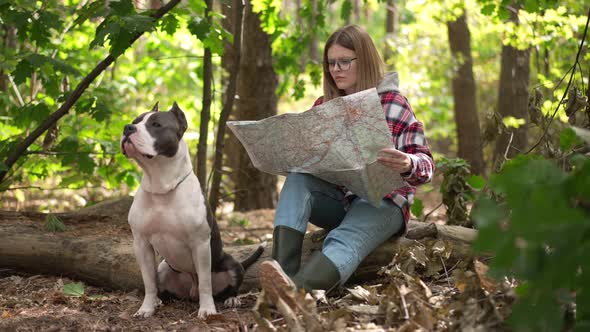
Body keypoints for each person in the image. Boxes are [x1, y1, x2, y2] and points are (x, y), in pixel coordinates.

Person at [258, 24, 435, 306]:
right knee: (297, 180)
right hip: (340, 199)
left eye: (344, 61)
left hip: (383, 203)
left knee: (344, 238)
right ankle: (280, 276)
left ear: (363, 60)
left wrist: (407, 162)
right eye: (331, 63)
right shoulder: (323, 105)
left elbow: (426, 164)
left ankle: (292, 297)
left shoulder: (393, 102)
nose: (336, 69)